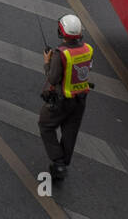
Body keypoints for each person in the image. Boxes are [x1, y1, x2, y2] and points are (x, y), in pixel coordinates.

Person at [39, 13, 93, 183]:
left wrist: (47, 62)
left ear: (61, 31)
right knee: (70, 131)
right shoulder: (88, 49)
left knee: (46, 125)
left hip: (62, 101)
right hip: (81, 100)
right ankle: (63, 163)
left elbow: (53, 78)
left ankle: (58, 161)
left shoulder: (61, 54)